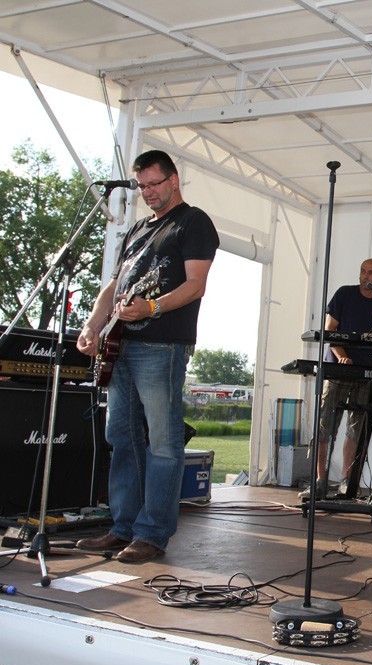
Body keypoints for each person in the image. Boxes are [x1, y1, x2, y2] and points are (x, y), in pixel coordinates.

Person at [75, 150, 219, 563]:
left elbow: (195, 285)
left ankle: (152, 534)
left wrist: (151, 307)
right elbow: (114, 285)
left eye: (154, 184)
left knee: (163, 442)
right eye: (141, 186)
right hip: (120, 344)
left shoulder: (193, 222)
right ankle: (123, 527)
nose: (148, 192)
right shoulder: (138, 228)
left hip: (163, 346)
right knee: (121, 436)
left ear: (174, 180)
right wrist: (93, 324)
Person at [300, 259, 372, 501]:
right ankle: (320, 481)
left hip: (366, 373)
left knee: (355, 430)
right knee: (325, 426)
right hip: (338, 370)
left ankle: (346, 481)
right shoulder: (344, 294)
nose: (366, 276)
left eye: (371, 273)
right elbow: (329, 330)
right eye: (363, 271)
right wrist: (341, 356)